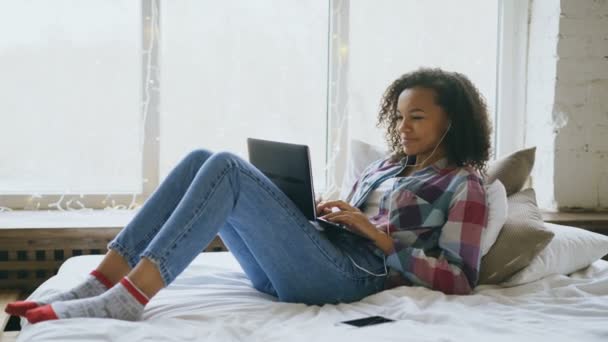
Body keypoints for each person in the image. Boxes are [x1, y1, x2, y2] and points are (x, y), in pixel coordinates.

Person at [5, 67, 491, 324]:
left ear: (451, 121)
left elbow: (461, 278)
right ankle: (99, 283)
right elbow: (355, 221)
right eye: (400, 116)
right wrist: (321, 211)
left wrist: (381, 239)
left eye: (417, 118)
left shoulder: (462, 185)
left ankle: (129, 298)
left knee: (225, 168)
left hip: (353, 278)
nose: (402, 127)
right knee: (201, 157)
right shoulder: (388, 165)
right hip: (317, 259)